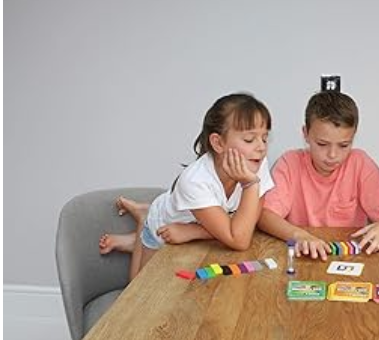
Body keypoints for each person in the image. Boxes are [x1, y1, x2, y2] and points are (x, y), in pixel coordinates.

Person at [100, 93, 274, 282]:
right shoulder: (195, 180)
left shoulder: (256, 163)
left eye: (264, 138)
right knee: (136, 288)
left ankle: (137, 228)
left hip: (197, 229)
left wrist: (194, 232)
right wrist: (249, 185)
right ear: (218, 143)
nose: (261, 147)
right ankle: (145, 219)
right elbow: (239, 238)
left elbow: (247, 226)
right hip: (162, 227)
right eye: (249, 139)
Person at [258, 91, 379, 258]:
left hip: (348, 258)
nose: (332, 155)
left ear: (353, 136)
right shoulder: (289, 163)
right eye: (322, 144)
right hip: (304, 258)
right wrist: (300, 236)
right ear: (305, 134)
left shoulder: (359, 163)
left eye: (343, 145)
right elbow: (264, 216)